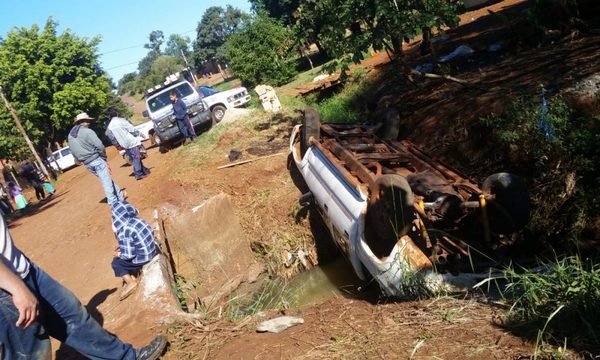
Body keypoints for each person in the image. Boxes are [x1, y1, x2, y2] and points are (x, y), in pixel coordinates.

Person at [0, 213, 167, 359]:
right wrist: (17, 288)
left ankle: (125, 357)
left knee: (71, 315)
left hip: (22, 269)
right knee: (28, 351)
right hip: (6, 289)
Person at [68, 112, 125, 205]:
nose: (89, 123)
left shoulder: (70, 135)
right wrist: (103, 157)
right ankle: (114, 204)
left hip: (87, 164)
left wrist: (78, 160)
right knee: (106, 181)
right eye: (88, 121)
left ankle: (120, 196)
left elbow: (72, 150)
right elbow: (100, 146)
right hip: (96, 160)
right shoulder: (88, 131)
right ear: (84, 121)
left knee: (106, 179)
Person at [110, 200, 159, 300]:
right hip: (152, 250)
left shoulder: (124, 231)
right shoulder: (137, 220)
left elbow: (128, 255)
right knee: (125, 254)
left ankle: (131, 282)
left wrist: (118, 254)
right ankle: (133, 273)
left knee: (116, 263)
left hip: (144, 257)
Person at [106, 109, 151, 181]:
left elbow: (109, 135)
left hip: (124, 144)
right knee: (136, 157)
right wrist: (139, 134)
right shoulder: (121, 120)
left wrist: (117, 144)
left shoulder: (110, 126)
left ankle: (145, 170)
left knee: (134, 158)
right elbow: (131, 129)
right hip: (131, 142)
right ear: (116, 114)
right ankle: (138, 173)